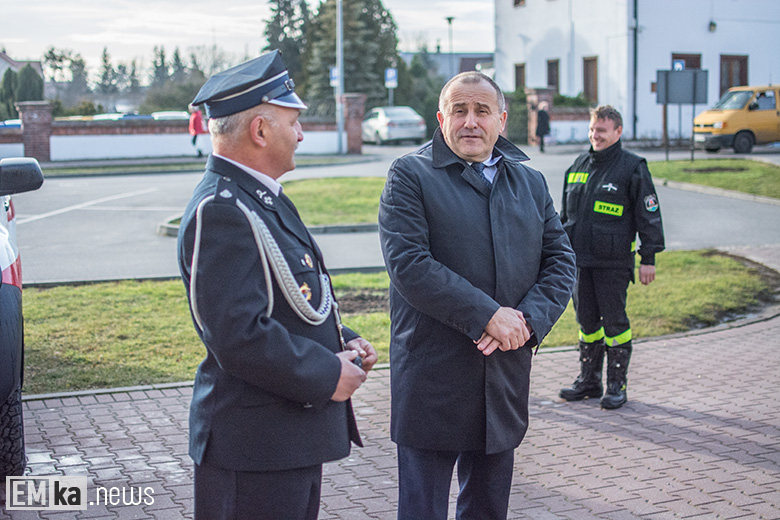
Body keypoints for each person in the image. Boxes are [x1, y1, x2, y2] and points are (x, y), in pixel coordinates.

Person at [177, 50, 377, 520]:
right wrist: (328, 374)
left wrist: (342, 342)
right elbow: (238, 334)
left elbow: (289, 299)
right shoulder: (223, 208)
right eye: (294, 121)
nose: (302, 133)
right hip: (253, 449)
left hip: (282, 440)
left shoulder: (259, 195)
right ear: (260, 130)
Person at [378, 71, 576, 520]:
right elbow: (410, 264)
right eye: (459, 111)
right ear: (441, 118)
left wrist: (525, 322)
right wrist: (488, 316)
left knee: (488, 509)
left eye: (482, 111)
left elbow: (561, 260)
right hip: (433, 378)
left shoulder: (529, 183)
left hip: (502, 372)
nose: (471, 122)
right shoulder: (410, 175)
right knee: (422, 509)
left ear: (502, 120)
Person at [558, 105, 665, 410]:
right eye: (592, 130)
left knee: (615, 324)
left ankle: (617, 384)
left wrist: (649, 258)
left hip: (613, 262)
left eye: (602, 131)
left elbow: (650, 216)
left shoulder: (633, 167)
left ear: (618, 132)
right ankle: (589, 380)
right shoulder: (578, 165)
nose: (595, 136)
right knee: (586, 321)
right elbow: (566, 217)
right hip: (580, 262)